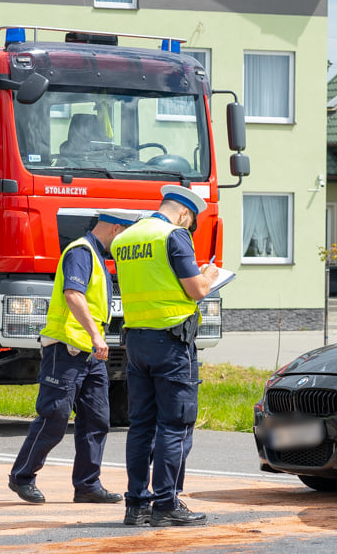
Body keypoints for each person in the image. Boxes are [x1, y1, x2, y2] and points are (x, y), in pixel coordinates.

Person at [8, 209, 141, 505]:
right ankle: (22, 476)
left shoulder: (96, 255)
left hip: (90, 353)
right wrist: (96, 336)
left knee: (97, 420)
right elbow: (73, 294)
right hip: (66, 348)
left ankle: (87, 485)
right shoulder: (81, 251)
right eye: (124, 236)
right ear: (116, 229)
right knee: (54, 416)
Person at [112, 185, 218, 527]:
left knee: (141, 425)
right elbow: (197, 289)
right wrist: (210, 275)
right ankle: (166, 504)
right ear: (185, 214)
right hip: (172, 344)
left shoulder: (125, 239)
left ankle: (136, 504)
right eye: (189, 223)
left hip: (136, 342)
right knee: (174, 425)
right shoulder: (173, 236)